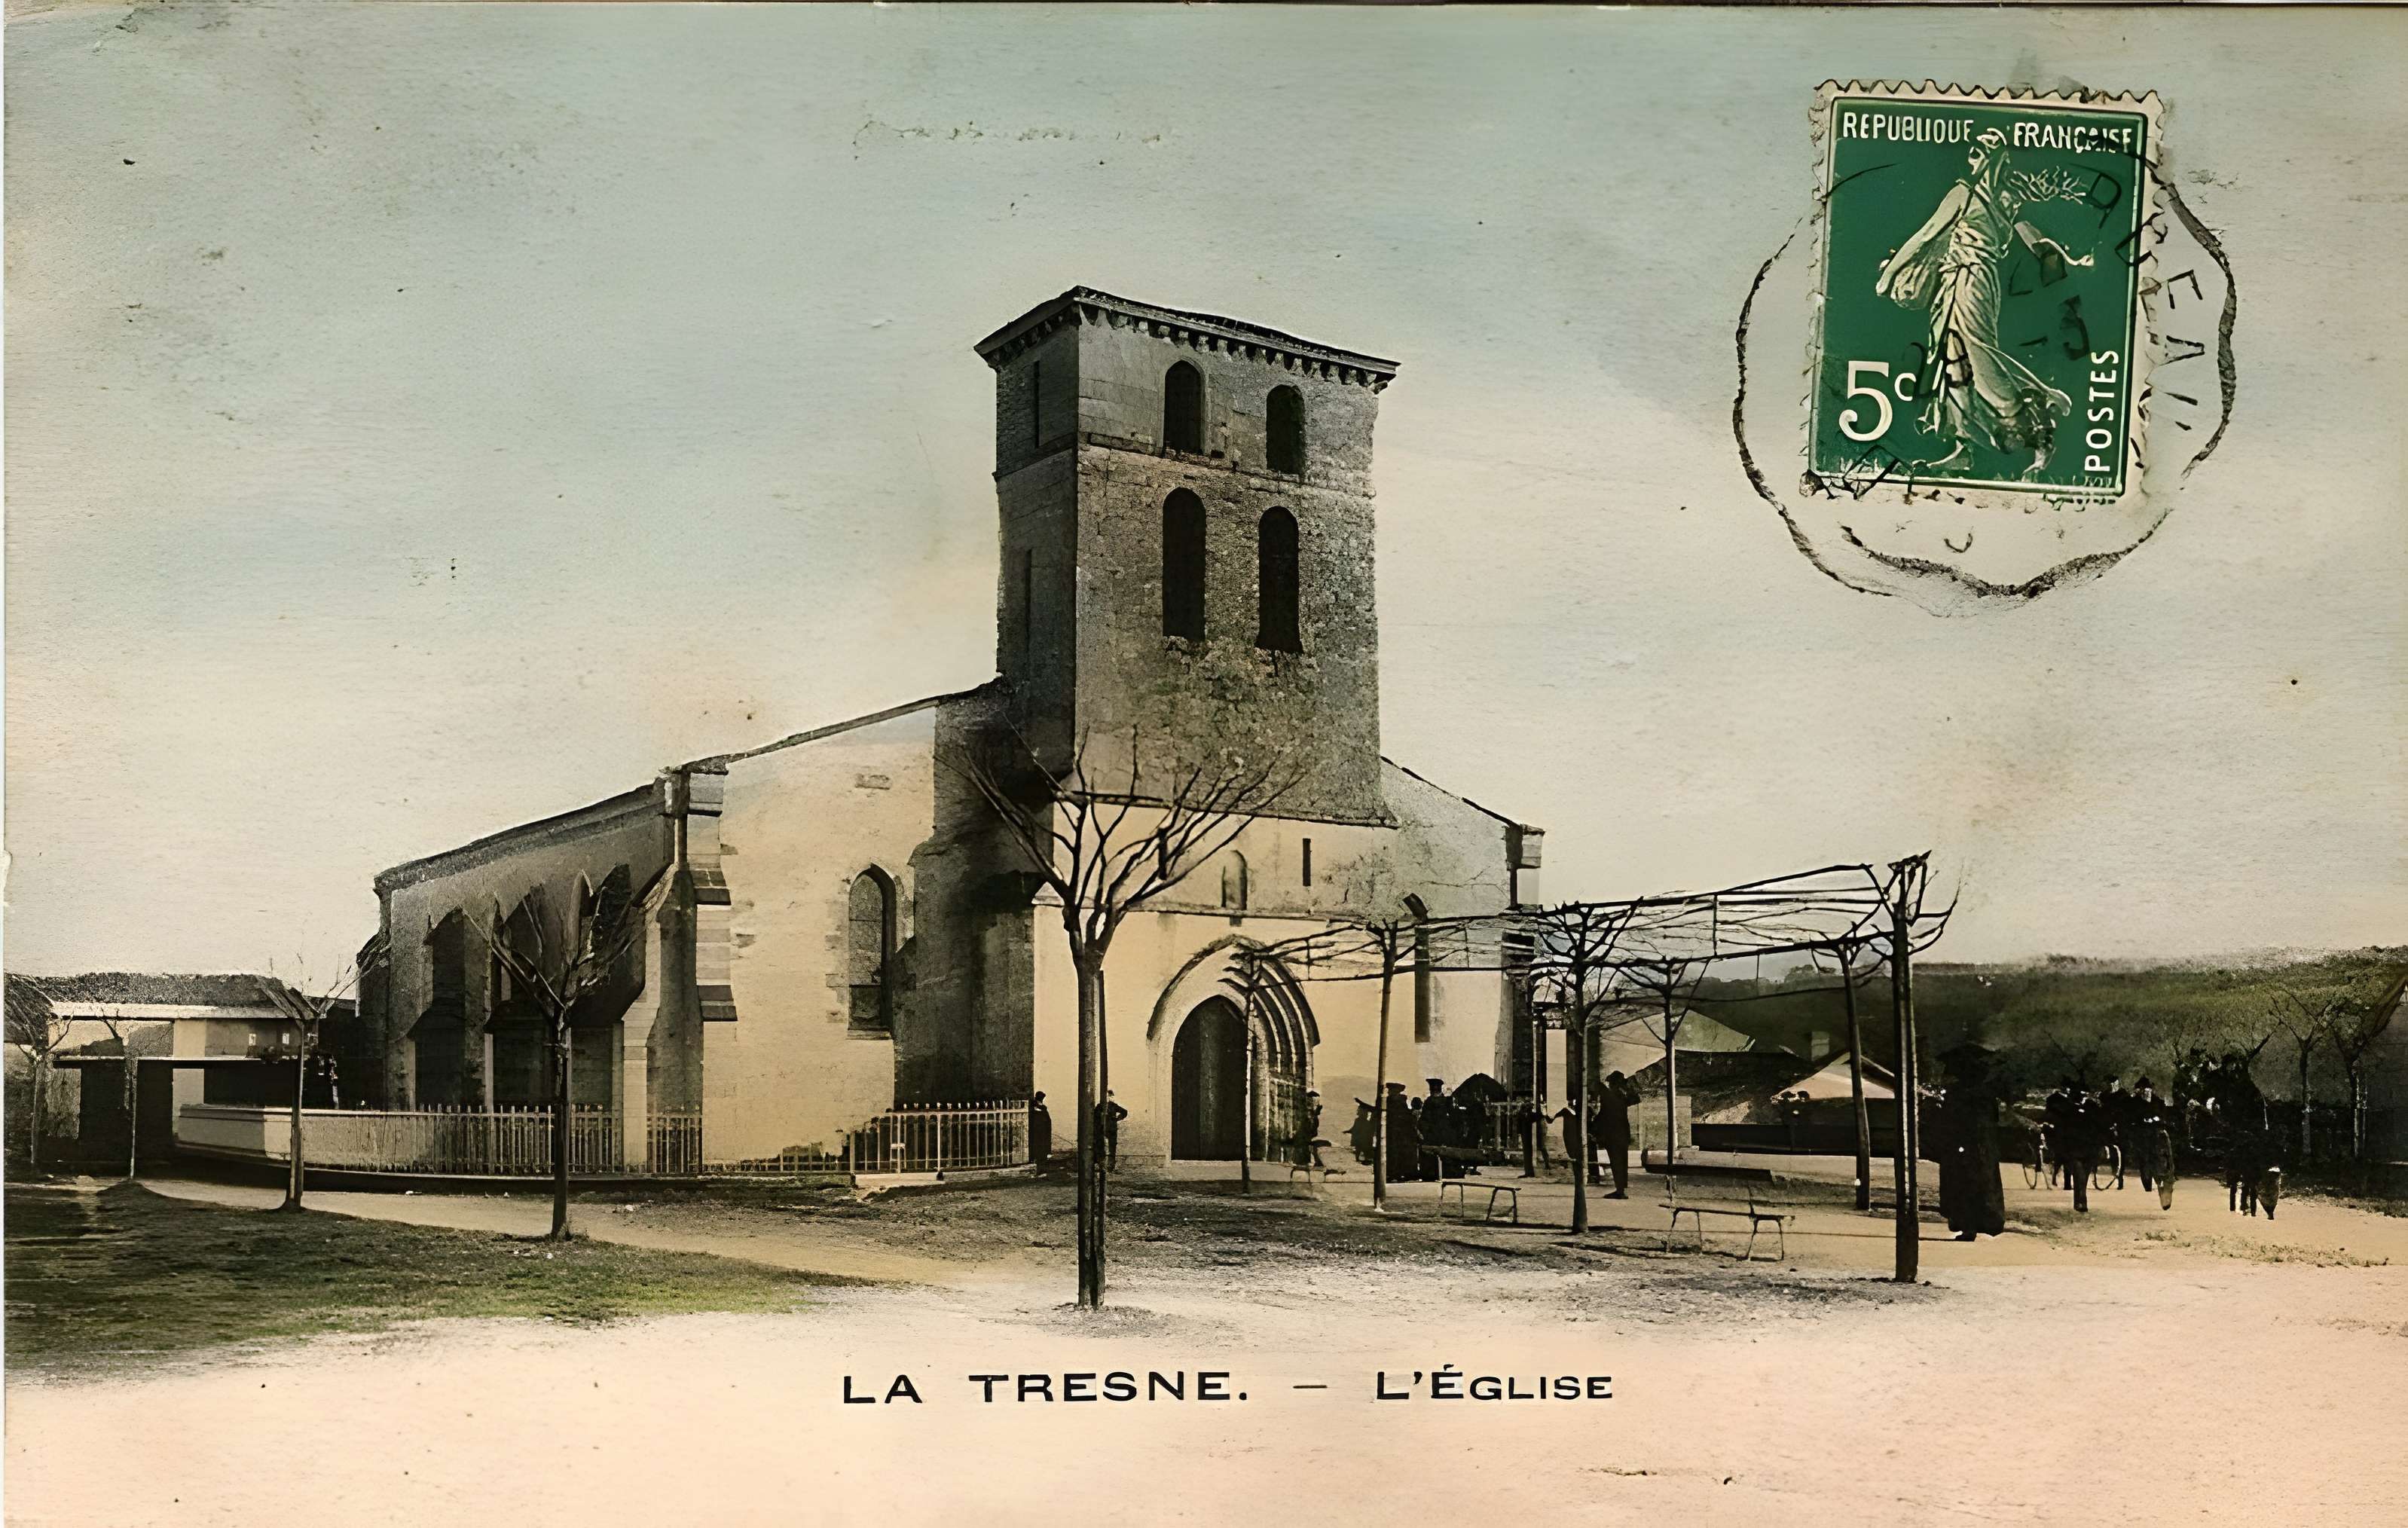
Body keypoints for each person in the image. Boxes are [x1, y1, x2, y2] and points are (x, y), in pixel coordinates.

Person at [1872, 126, 2095, 478]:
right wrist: (2068, 258)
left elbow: (1926, 235)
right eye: (1971, 152)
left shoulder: (1967, 193)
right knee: (1953, 360)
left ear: (1994, 158)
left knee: (1977, 352)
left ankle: (2040, 404)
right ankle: (1964, 448)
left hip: (1970, 279)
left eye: (1979, 152)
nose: (1972, 158)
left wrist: (1888, 276)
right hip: (1962, 280)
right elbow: (2035, 240)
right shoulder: (2006, 198)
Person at [1936, 1049, 2007, 1240]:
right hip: (1983, 1149)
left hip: (1963, 1147)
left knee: (1963, 1186)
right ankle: (1977, 1224)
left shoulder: (1958, 1095)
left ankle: (1968, 1227)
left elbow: (1950, 1122)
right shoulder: (1986, 1095)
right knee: (1980, 1187)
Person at [1594, 1071, 1637, 1199]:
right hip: (1623, 1134)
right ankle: (1621, 1189)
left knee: (1616, 1162)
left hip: (1613, 1135)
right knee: (1623, 1162)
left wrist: (1592, 1127)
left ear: (1613, 1083)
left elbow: (1603, 1115)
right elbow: (1635, 1098)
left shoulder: (1609, 1096)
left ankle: (1620, 1191)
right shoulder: (1622, 1096)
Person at [1383, 1081, 1422, 1184]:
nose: (1389, 1092)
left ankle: (1394, 1174)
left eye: (1391, 1090)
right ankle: (1400, 1174)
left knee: (1394, 1153)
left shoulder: (1392, 1101)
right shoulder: (1400, 1101)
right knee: (1399, 1153)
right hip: (1400, 1132)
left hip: (1395, 1132)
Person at [1100, 1090, 1128, 1171]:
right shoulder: (1100, 1106)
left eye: (1111, 1096)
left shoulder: (1113, 1106)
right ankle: (1102, 1165)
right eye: (1108, 1096)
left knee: (1112, 1148)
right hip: (1102, 1129)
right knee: (1101, 1146)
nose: (1109, 1098)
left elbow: (1124, 1112)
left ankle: (1111, 1166)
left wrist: (1118, 1119)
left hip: (1112, 1129)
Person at [1028, 1091, 1053, 1170]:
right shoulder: (1036, 1108)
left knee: (1040, 1144)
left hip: (1041, 1130)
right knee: (1039, 1144)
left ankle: (1040, 1159)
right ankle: (1039, 1159)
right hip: (1039, 1130)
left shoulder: (1041, 1108)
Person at [1300, 1089, 1325, 1169]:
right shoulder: (1310, 1111)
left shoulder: (1312, 1112)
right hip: (1310, 1130)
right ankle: (1316, 1162)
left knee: (1311, 1146)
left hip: (1311, 1130)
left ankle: (1316, 1162)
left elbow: (1313, 1119)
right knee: (1310, 1147)